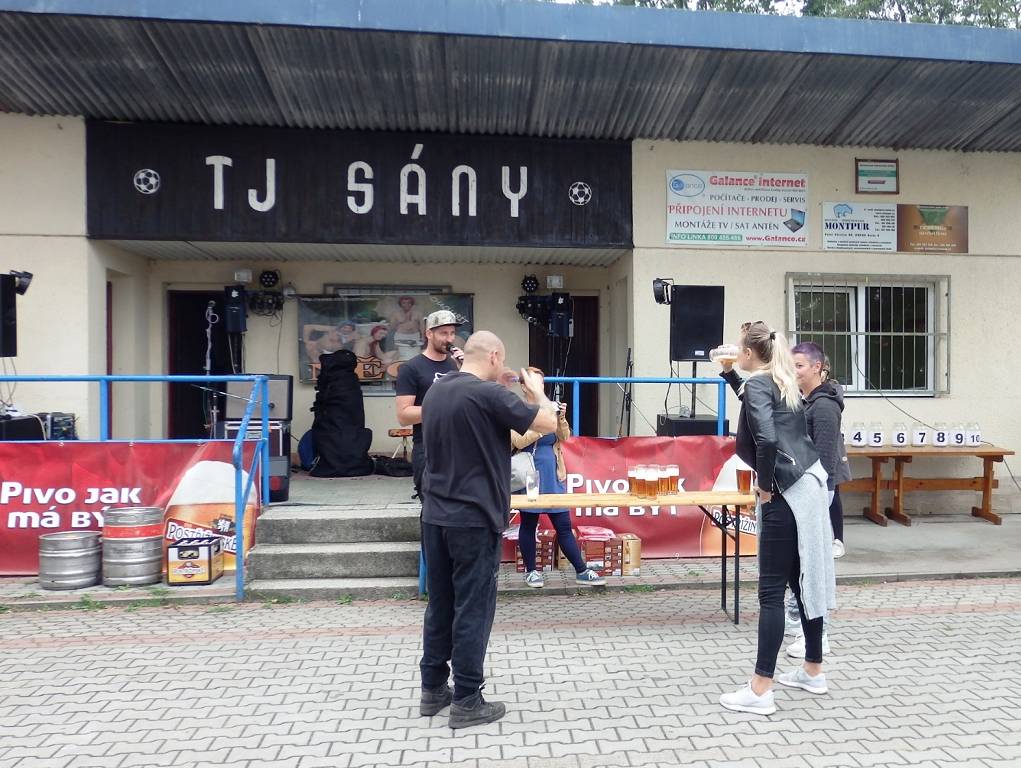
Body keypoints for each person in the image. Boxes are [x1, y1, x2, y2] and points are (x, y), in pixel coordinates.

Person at [418, 331, 559, 729]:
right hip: (474, 517)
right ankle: (467, 698)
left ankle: (432, 689)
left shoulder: (438, 391)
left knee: (441, 603)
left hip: (435, 514)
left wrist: (509, 391)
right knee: (473, 607)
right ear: (495, 355)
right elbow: (548, 422)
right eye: (502, 360)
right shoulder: (488, 394)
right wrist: (537, 390)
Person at [717, 321, 836, 716]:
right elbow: (758, 409)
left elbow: (766, 437)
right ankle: (813, 670)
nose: (735, 352)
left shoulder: (760, 384)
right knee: (805, 582)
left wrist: (765, 487)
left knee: (771, 593)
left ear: (750, 353)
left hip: (785, 491)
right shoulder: (782, 380)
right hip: (810, 485)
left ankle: (760, 689)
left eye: (739, 349)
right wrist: (729, 375)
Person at [783, 343, 851, 659]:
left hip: (816, 491)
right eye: (791, 365)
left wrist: (816, 498)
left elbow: (824, 460)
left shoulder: (823, 407)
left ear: (817, 367)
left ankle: (818, 636)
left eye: (799, 366)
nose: (794, 371)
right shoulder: (806, 400)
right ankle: (797, 620)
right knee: (799, 561)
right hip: (805, 490)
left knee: (812, 565)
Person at [511, 367, 605, 587]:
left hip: (553, 473)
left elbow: (565, 436)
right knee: (529, 523)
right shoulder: (517, 409)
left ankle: (581, 570)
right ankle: (531, 571)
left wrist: (560, 417)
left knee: (563, 524)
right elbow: (517, 440)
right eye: (535, 383)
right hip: (530, 473)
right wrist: (544, 426)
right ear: (524, 386)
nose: (540, 387)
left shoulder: (548, 408)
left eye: (542, 383)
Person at [395, 310, 465, 497]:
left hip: (458, 445)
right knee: (430, 505)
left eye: (452, 333)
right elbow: (403, 415)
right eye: (443, 333)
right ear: (429, 334)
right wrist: (441, 408)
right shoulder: (411, 368)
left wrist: (465, 369)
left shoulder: (456, 365)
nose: (449, 339)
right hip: (428, 447)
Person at [388, 296, 425, 361]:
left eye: (409, 303)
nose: (406, 305)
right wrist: (401, 321)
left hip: (414, 336)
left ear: (412, 304)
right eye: (404, 303)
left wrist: (423, 336)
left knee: (415, 354)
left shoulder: (418, 313)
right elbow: (391, 326)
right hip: (400, 336)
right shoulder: (396, 314)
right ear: (400, 304)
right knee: (400, 354)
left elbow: (422, 325)